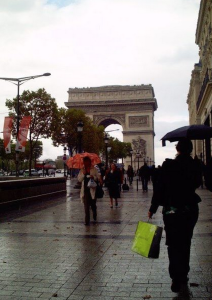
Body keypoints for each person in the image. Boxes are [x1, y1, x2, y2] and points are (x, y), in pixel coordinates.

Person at [148, 139, 202, 293]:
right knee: (185, 242)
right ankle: (183, 275)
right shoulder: (194, 165)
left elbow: (160, 188)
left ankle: (175, 278)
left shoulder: (169, 165)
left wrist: (153, 207)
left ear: (177, 148)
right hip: (189, 209)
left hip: (172, 210)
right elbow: (198, 183)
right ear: (191, 149)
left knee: (172, 244)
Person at [78, 156, 101, 225]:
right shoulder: (82, 170)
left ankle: (94, 213)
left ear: (90, 162)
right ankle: (87, 220)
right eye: (85, 162)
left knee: (93, 204)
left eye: (87, 161)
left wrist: (93, 177)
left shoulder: (94, 169)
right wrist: (83, 174)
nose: (86, 163)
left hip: (92, 189)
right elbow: (79, 179)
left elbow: (98, 177)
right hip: (85, 190)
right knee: (86, 206)